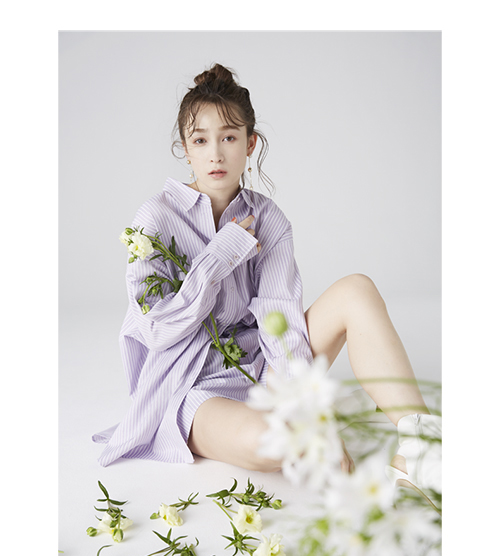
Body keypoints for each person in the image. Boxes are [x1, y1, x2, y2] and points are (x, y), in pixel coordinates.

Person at [93, 63, 441, 503]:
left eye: (229, 138)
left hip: (260, 368)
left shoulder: (268, 218)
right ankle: (312, 429)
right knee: (270, 444)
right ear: (184, 148)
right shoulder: (155, 218)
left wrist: (304, 407)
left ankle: (426, 450)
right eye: (200, 140)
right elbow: (156, 330)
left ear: (250, 143)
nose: (215, 155)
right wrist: (222, 253)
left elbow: (281, 320)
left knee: (357, 289)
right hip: (191, 386)